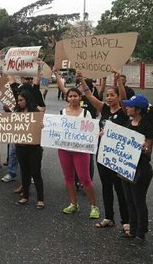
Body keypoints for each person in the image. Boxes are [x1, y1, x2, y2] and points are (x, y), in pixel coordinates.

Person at [80, 70, 131, 231]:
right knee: (106, 187)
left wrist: (119, 82)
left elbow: (125, 98)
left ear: (118, 97)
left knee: (120, 189)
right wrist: (82, 79)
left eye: (112, 95)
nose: (109, 97)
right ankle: (109, 217)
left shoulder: (124, 111)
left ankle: (126, 221)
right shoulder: (104, 109)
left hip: (117, 156)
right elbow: (89, 95)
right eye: (107, 95)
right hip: (102, 154)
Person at [55, 83, 100, 219]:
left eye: (75, 96)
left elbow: (92, 130)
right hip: (64, 149)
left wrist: (98, 133)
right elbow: (56, 129)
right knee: (68, 177)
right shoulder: (62, 113)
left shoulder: (86, 113)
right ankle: (73, 203)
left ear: (80, 98)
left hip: (81, 150)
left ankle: (93, 206)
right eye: (70, 96)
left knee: (85, 178)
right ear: (67, 98)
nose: (73, 98)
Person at [120, 94, 153, 246]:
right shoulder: (129, 122)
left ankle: (141, 233)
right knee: (129, 200)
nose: (127, 108)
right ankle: (133, 229)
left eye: (130, 106)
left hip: (140, 169)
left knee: (138, 201)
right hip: (127, 167)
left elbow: (148, 150)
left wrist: (143, 148)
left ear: (139, 110)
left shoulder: (147, 126)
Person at [13, 90, 45, 210]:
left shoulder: (36, 113)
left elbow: (43, 128)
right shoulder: (16, 112)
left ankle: (40, 199)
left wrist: (42, 125)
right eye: (18, 100)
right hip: (21, 147)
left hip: (34, 148)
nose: (19, 102)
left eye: (21, 100)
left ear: (27, 100)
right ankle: (25, 196)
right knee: (24, 172)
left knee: (35, 173)